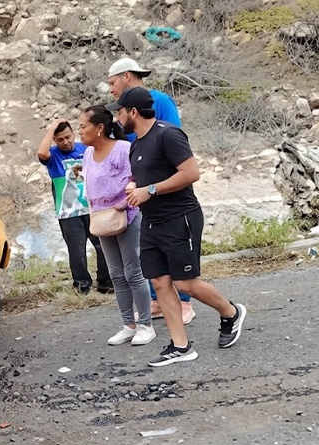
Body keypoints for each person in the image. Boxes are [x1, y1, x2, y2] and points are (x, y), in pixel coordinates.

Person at [109, 87, 247, 366]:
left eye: (119, 112)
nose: (117, 118)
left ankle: (231, 312)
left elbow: (191, 173)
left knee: (185, 283)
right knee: (160, 283)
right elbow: (147, 178)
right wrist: (135, 188)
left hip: (179, 218)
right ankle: (181, 346)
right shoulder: (136, 144)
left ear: (133, 112)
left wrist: (150, 189)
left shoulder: (168, 134)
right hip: (151, 222)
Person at [108, 57, 196, 325]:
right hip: (143, 191)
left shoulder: (161, 102)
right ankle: (158, 301)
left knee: (177, 254)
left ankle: (186, 302)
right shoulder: (122, 115)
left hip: (169, 195)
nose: (111, 89)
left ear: (126, 76)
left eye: (112, 82)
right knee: (150, 254)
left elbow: (175, 144)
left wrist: (153, 186)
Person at [79, 106, 156, 346]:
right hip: (102, 219)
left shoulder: (123, 149)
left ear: (99, 128)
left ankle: (146, 325)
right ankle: (128, 325)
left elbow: (138, 177)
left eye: (83, 126)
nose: (79, 131)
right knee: (116, 274)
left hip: (127, 215)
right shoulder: (88, 154)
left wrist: (124, 202)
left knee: (133, 271)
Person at [37, 118, 112, 294]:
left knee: (103, 245)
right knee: (76, 251)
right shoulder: (53, 155)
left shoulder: (86, 149)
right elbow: (41, 152)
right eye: (60, 139)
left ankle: (105, 282)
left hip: (92, 207)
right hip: (68, 212)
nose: (66, 142)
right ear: (54, 140)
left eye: (68, 137)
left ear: (73, 134)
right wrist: (52, 127)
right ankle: (82, 285)